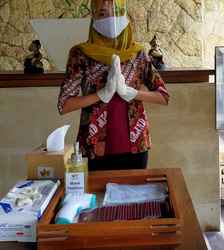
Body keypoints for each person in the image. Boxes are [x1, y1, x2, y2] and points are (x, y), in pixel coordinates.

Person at [58, 0, 169, 171]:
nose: (110, 19)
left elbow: (163, 96)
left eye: (115, 13)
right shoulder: (80, 54)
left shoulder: (138, 54)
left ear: (124, 16)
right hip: (94, 146)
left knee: (134, 195)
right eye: (102, 14)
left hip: (135, 147)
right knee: (96, 195)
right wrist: (101, 95)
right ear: (93, 17)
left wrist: (132, 93)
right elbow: (64, 105)